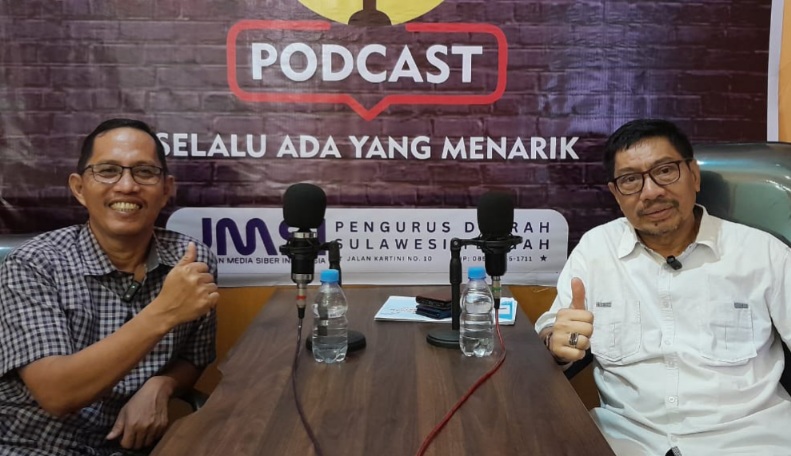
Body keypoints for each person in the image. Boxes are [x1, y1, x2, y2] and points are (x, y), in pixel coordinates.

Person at [534, 119, 791, 455]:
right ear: (616, 194)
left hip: (750, 441)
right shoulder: (597, 249)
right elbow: (555, 332)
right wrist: (556, 342)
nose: (651, 192)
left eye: (665, 171)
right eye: (630, 180)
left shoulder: (763, 253)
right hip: (627, 439)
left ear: (694, 175)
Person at [0, 118, 220, 456]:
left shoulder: (191, 261)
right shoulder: (33, 264)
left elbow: (194, 358)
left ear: (166, 189)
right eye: (108, 171)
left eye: (144, 172)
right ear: (79, 188)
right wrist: (164, 312)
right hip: (32, 446)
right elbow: (58, 394)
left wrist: (163, 384)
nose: (127, 186)